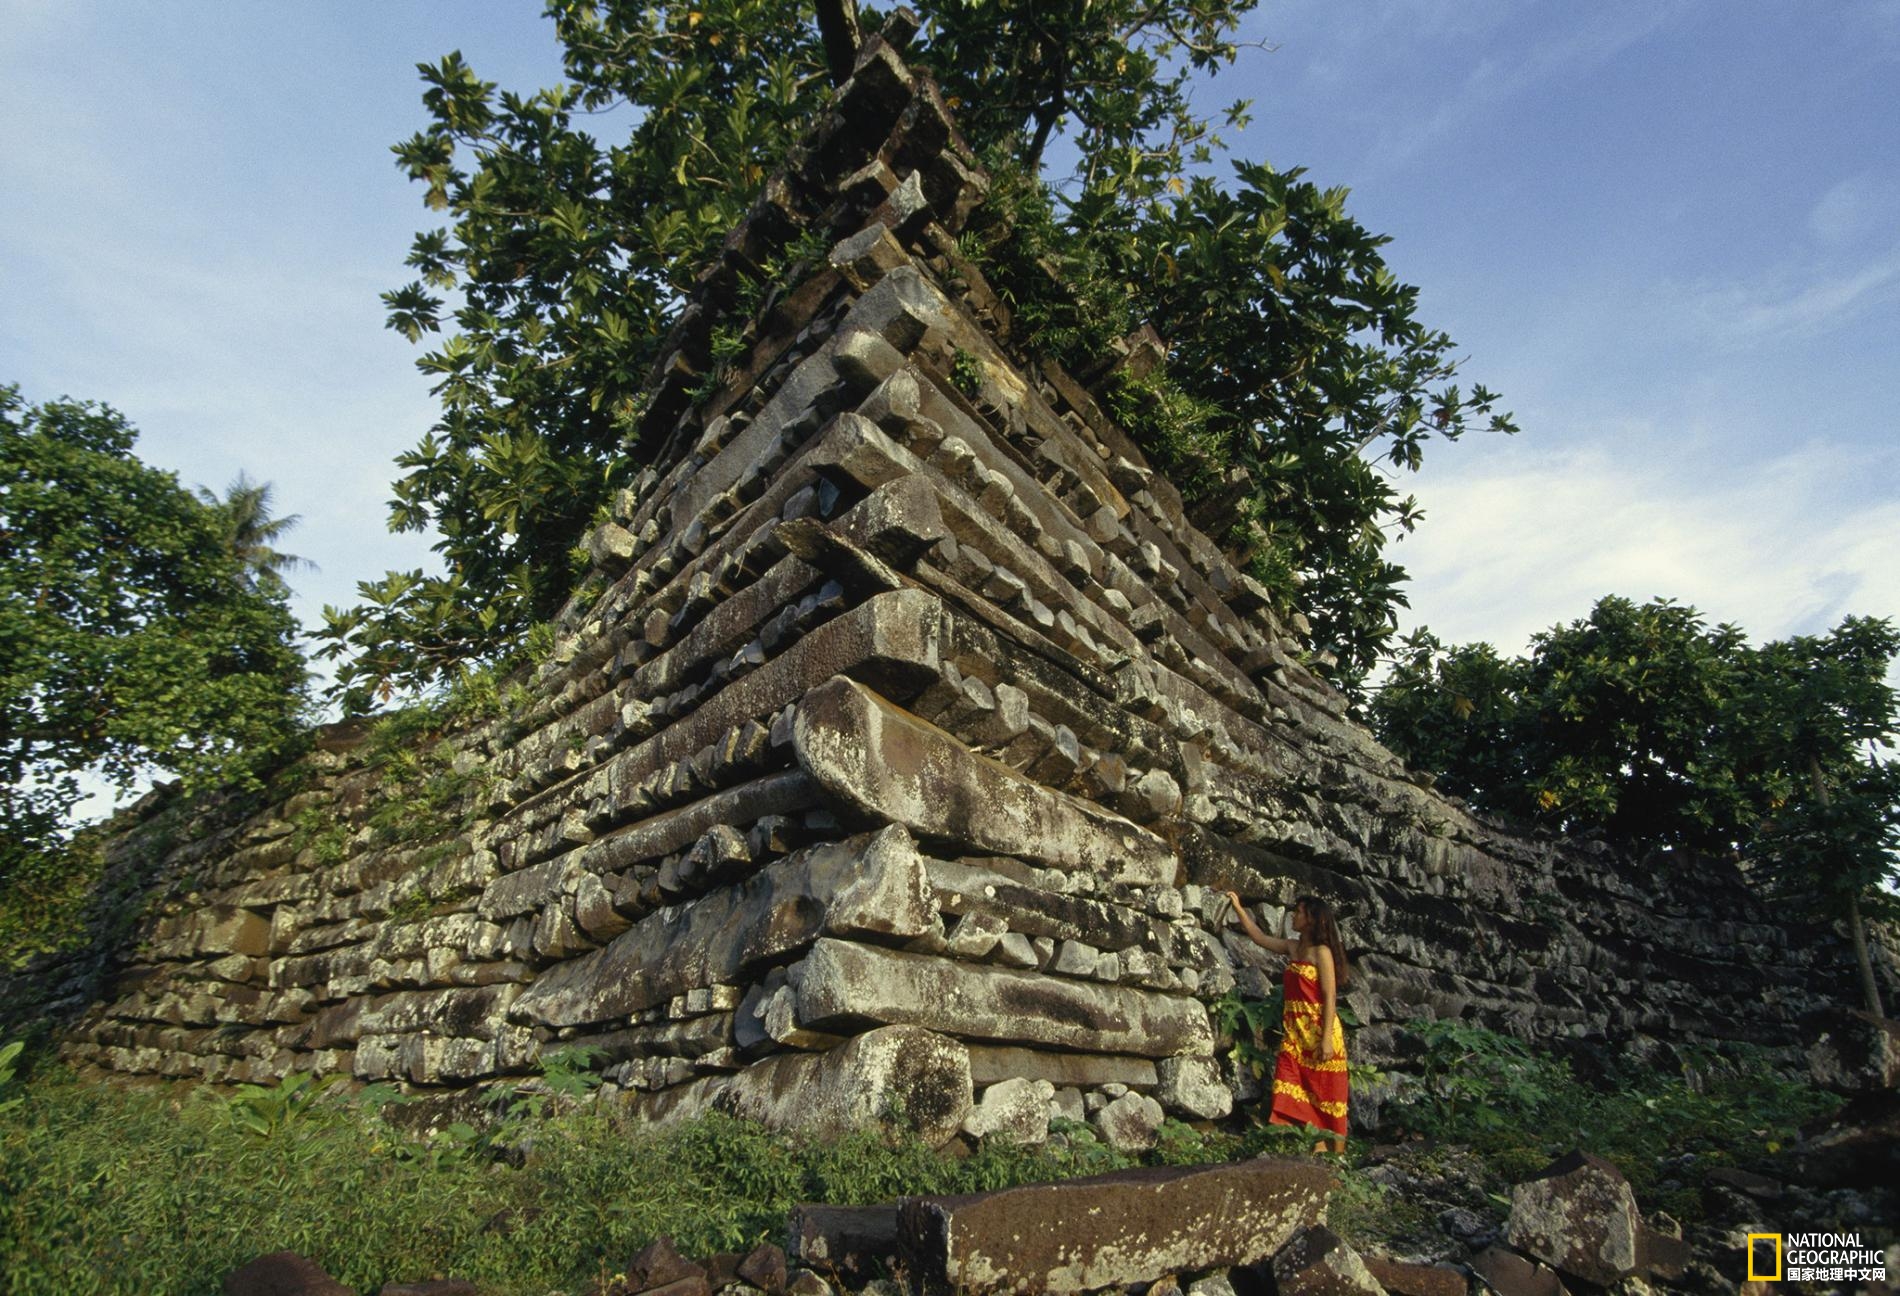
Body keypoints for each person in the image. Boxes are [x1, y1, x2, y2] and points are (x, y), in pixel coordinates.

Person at [1225, 891, 1351, 1154]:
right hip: (1296, 1032)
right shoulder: (1294, 947)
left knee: (1326, 1091)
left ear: (1311, 920)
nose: (1294, 915)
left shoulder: (1321, 953)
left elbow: (1330, 997)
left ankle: (1337, 1156)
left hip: (1318, 1031)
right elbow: (1259, 938)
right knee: (1291, 1083)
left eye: (1299, 912)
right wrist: (1238, 908)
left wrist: (1326, 1038)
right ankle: (1314, 1145)